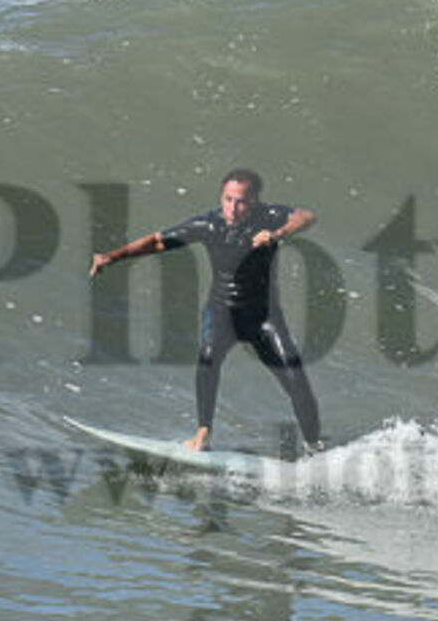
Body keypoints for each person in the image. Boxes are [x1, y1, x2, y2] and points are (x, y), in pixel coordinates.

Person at [90, 168, 323, 454]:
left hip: (265, 317)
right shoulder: (209, 224)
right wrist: (111, 257)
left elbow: (307, 217)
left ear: (255, 201)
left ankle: (314, 448)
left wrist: (276, 235)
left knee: (297, 381)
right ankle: (203, 434)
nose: (232, 208)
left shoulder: (269, 217)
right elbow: (158, 241)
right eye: (227, 200)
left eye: (241, 202)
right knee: (208, 358)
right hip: (223, 311)